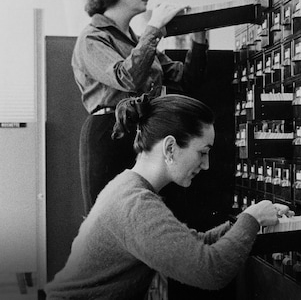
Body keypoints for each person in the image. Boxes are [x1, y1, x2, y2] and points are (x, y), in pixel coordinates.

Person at [45, 94, 286, 299]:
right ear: (170, 148)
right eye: (202, 152)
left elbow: (196, 245)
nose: (206, 165)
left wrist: (248, 220)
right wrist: (251, 220)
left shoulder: (129, 187)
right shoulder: (135, 204)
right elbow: (211, 271)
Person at [73, 0, 205, 213]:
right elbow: (127, 77)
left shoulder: (137, 40)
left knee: (151, 220)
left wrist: (198, 37)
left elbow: (185, 80)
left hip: (145, 132)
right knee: (112, 219)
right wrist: (153, 29)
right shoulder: (92, 37)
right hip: (111, 136)